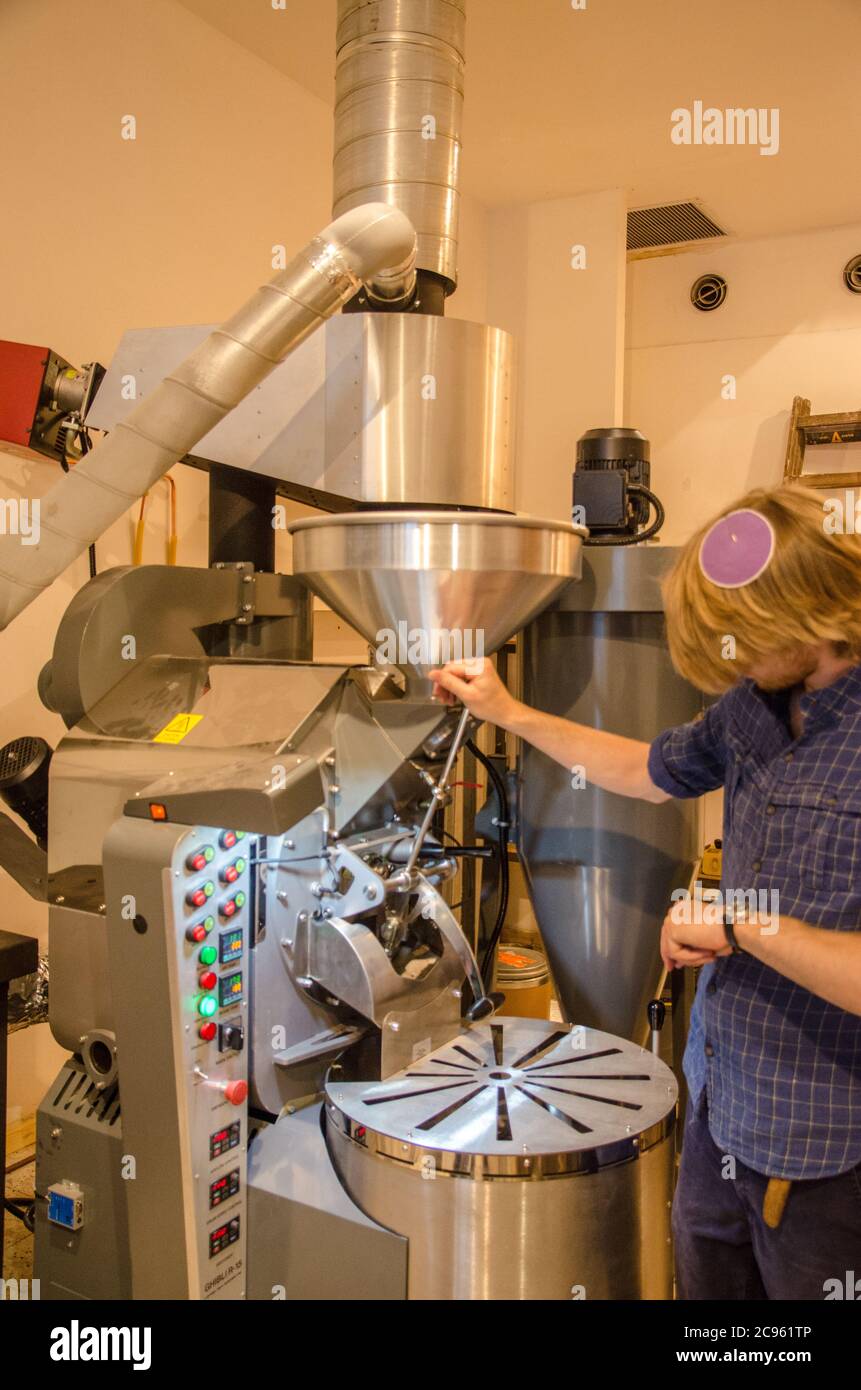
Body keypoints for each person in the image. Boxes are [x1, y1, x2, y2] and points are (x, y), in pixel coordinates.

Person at [430, 484, 861, 1300]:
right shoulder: (756, 708)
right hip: (718, 1109)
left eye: (744, 645)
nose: (731, 664)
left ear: (809, 616)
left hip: (828, 1153)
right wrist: (508, 712)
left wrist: (739, 924)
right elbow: (641, 770)